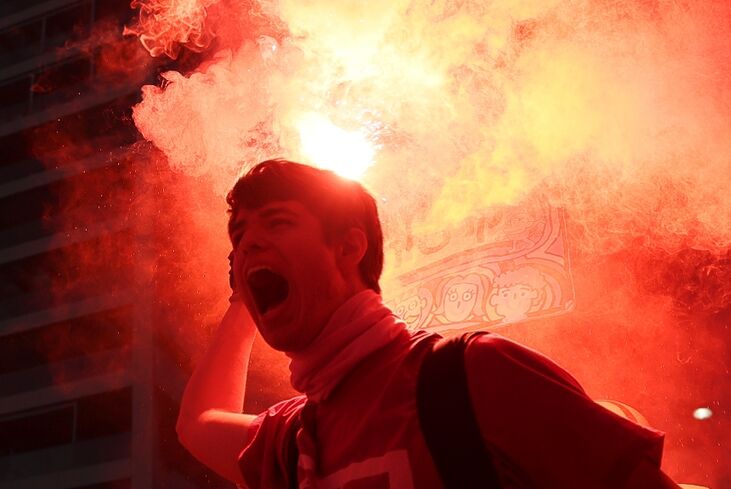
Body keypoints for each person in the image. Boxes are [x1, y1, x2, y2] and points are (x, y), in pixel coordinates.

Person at [176, 159, 681, 488]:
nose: (247, 244)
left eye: (277, 222)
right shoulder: (294, 441)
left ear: (350, 247)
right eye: (239, 236)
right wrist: (242, 298)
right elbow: (198, 426)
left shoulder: (477, 373)